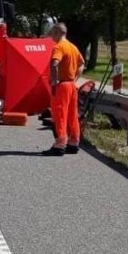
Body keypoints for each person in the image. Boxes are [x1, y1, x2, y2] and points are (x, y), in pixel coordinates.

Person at [43, 22, 85, 156]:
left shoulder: (59, 47)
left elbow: (54, 64)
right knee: (73, 114)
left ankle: (59, 144)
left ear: (57, 32)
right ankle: (74, 142)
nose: (51, 37)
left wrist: (54, 82)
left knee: (59, 114)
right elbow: (82, 63)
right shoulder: (73, 47)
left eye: (52, 34)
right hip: (72, 85)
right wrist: (75, 78)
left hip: (61, 85)